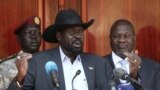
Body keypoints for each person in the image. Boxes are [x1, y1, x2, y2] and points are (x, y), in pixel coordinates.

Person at [22, 9, 111, 90]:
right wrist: (19, 78)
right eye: (72, 32)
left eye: (80, 31)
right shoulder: (38, 62)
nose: (78, 36)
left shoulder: (100, 64)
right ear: (59, 36)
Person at [104, 19, 160, 90]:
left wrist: (134, 75)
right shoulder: (98, 66)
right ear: (110, 39)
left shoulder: (153, 68)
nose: (122, 40)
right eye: (116, 36)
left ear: (134, 38)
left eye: (127, 36)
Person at [0, 16, 42, 90]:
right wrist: (19, 78)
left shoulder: (49, 62)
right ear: (18, 38)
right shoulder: (3, 66)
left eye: (37, 33)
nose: (34, 37)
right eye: (28, 33)